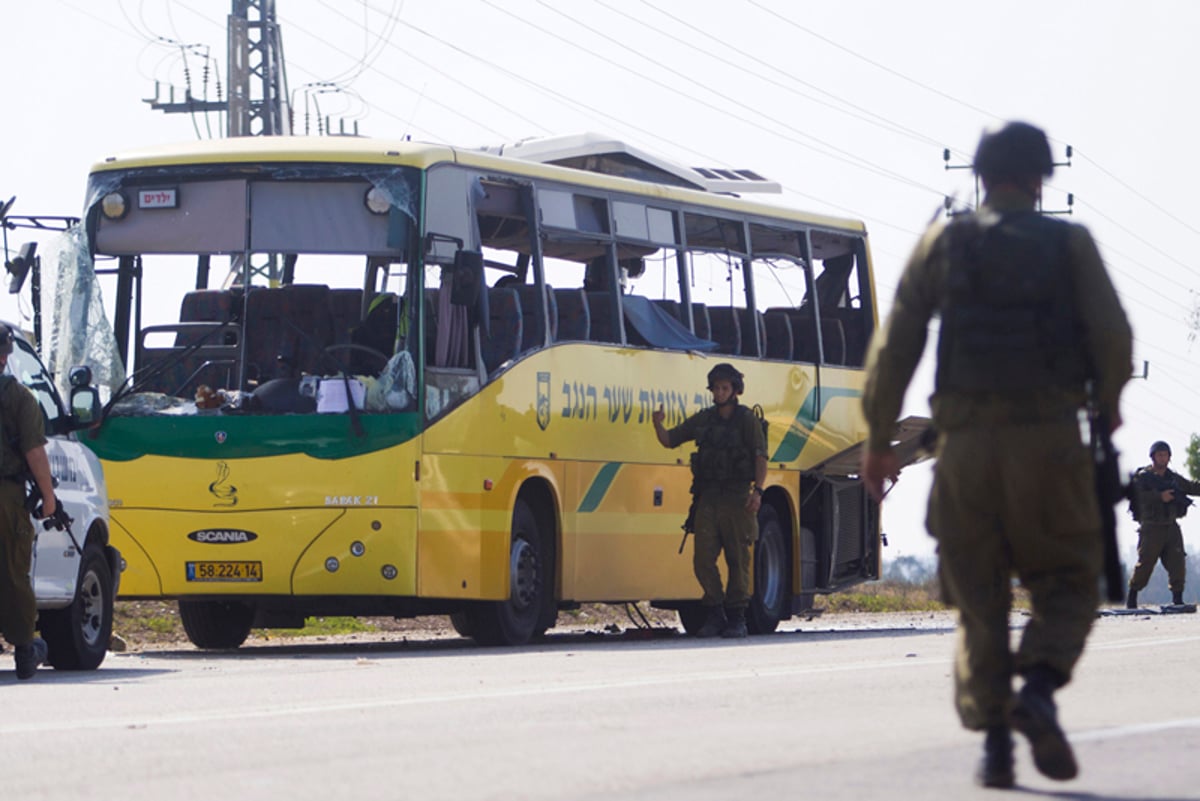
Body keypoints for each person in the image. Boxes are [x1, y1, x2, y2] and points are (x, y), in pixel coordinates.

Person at [860, 122, 1132, 788]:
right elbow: (1114, 337)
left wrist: (876, 441)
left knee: (980, 599)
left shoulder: (943, 243)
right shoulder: (1069, 244)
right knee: (1071, 580)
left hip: (964, 451)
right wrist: (1112, 399)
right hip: (1051, 444)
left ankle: (996, 748)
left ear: (980, 178)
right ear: (1041, 180)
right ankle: (1037, 686)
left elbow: (895, 347)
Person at [652, 363, 767, 638]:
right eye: (715, 388)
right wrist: (657, 424)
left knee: (738, 559)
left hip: (738, 497)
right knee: (702, 559)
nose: (719, 392)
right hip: (709, 497)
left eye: (724, 388)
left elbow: (760, 457)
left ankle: (737, 617)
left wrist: (758, 491)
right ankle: (715, 611)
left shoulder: (747, 420)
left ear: (735, 390)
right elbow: (670, 440)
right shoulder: (704, 420)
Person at [0, 324, 56, 679]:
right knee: (12, 571)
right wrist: (48, 496)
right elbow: (34, 451)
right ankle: (23, 649)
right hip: (5, 495)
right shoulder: (18, 397)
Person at [1126, 440, 1200, 608]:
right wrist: (1160, 497)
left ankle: (1177, 599)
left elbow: (1191, 487)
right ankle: (1132, 598)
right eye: (1159, 455)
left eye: (1165, 455)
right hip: (1151, 527)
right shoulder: (1144, 477)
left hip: (1171, 526)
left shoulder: (1172, 478)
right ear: (1153, 457)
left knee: (1178, 562)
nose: (1162, 458)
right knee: (1145, 563)